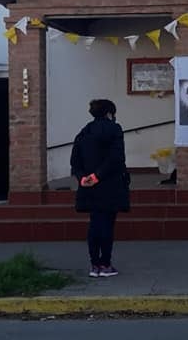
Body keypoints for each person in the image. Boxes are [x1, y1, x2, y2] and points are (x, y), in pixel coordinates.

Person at [70, 98, 130, 278]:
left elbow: (75, 161)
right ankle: (106, 264)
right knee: (107, 224)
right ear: (110, 113)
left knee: (94, 224)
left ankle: (94, 264)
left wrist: (84, 178)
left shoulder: (83, 132)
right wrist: (98, 176)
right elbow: (116, 158)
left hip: (88, 186)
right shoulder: (115, 129)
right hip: (109, 185)